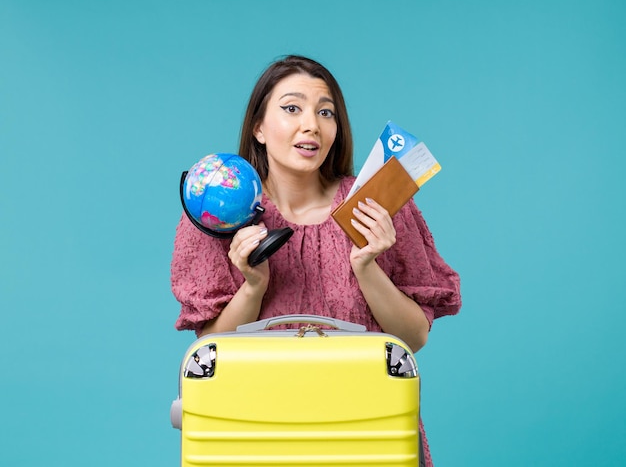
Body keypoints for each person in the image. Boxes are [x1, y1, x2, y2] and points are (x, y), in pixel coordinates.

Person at [171, 55, 462, 466]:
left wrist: (366, 266)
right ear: (258, 126)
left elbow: (413, 340)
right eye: (292, 108)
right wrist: (253, 286)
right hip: (255, 436)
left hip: (365, 435)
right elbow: (212, 347)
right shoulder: (216, 212)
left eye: (325, 112)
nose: (312, 124)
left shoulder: (379, 207)